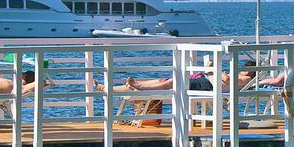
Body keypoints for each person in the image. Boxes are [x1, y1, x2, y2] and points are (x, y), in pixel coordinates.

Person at [97, 60, 257, 92]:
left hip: (207, 85)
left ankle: (140, 87)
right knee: (164, 80)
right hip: (205, 80)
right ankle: (109, 89)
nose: (240, 70)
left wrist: (216, 69)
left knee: (172, 82)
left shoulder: (247, 79)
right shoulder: (243, 77)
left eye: (243, 68)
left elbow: (226, 80)